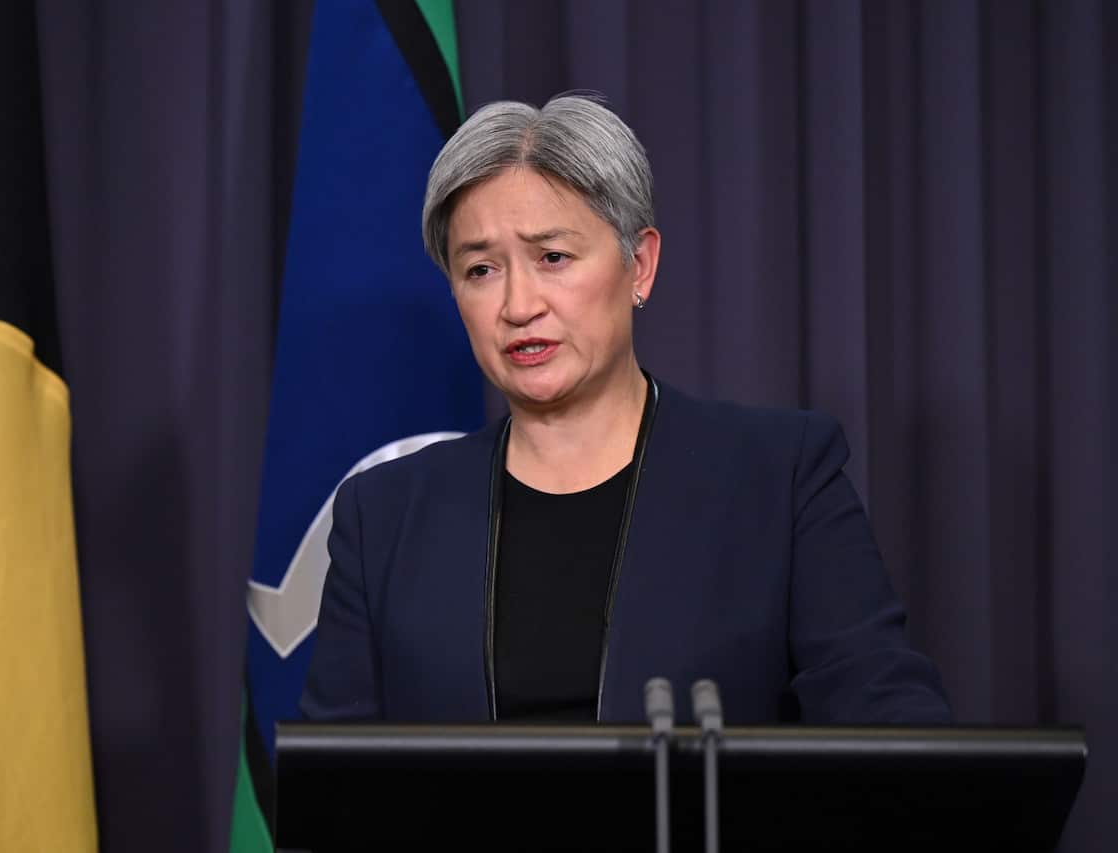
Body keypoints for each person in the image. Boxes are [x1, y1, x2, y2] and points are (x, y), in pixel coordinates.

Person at [299, 95, 950, 725]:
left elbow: (888, 724)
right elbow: (330, 792)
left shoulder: (780, 478)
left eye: (552, 257)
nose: (518, 304)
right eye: (481, 270)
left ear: (639, 265)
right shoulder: (382, 517)